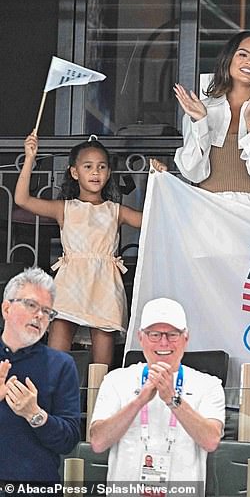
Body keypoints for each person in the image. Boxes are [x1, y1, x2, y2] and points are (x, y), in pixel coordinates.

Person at [15, 134, 145, 367]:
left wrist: (160, 179)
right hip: (70, 284)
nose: (95, 172)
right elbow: (22, 199)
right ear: (74, 172)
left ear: (108, 173)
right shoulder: (64, 208)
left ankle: (97, 401)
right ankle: (51, 402)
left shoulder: (117, 211)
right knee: (55, 358)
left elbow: (153, 219)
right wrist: (29, 158)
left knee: (101, 365)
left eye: (101, 167)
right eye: (88, 167)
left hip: (105, 286)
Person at [90, 298, 224, 486]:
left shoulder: (208, 384)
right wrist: (138, 401)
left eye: (172, 334)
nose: (163, 342)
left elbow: (211, 441)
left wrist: (173, 399)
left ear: (186, 338)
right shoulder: (116, 380)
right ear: (141, 338)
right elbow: (98, 442)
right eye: (154, 334)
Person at [174, 30, 250, 215]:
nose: (249, 62)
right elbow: (191, 170)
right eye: (243, 54)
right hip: (209, 211)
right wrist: (200, 122)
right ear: (229, 58)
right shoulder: (201, 109)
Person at [0, 267, 80, 483]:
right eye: (31, 305)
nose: (39, 316)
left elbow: (69, 440)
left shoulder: (61, 365)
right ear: (6, 308)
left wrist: (35, 414)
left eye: (47, 312)